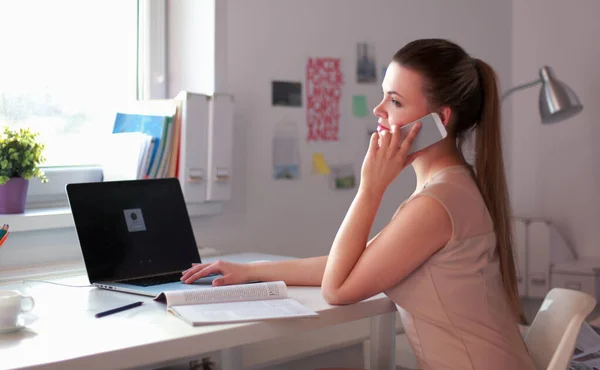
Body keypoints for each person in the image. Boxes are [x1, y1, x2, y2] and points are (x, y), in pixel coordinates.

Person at [180, 38, 537, 370]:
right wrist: (253, 270)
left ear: (439, 121)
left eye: (395, 101)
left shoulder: (435, 204)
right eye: (383, 96)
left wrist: (370, 189)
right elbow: (353, 264)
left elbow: (338, 289)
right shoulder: (451, 186)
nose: (378, 109)